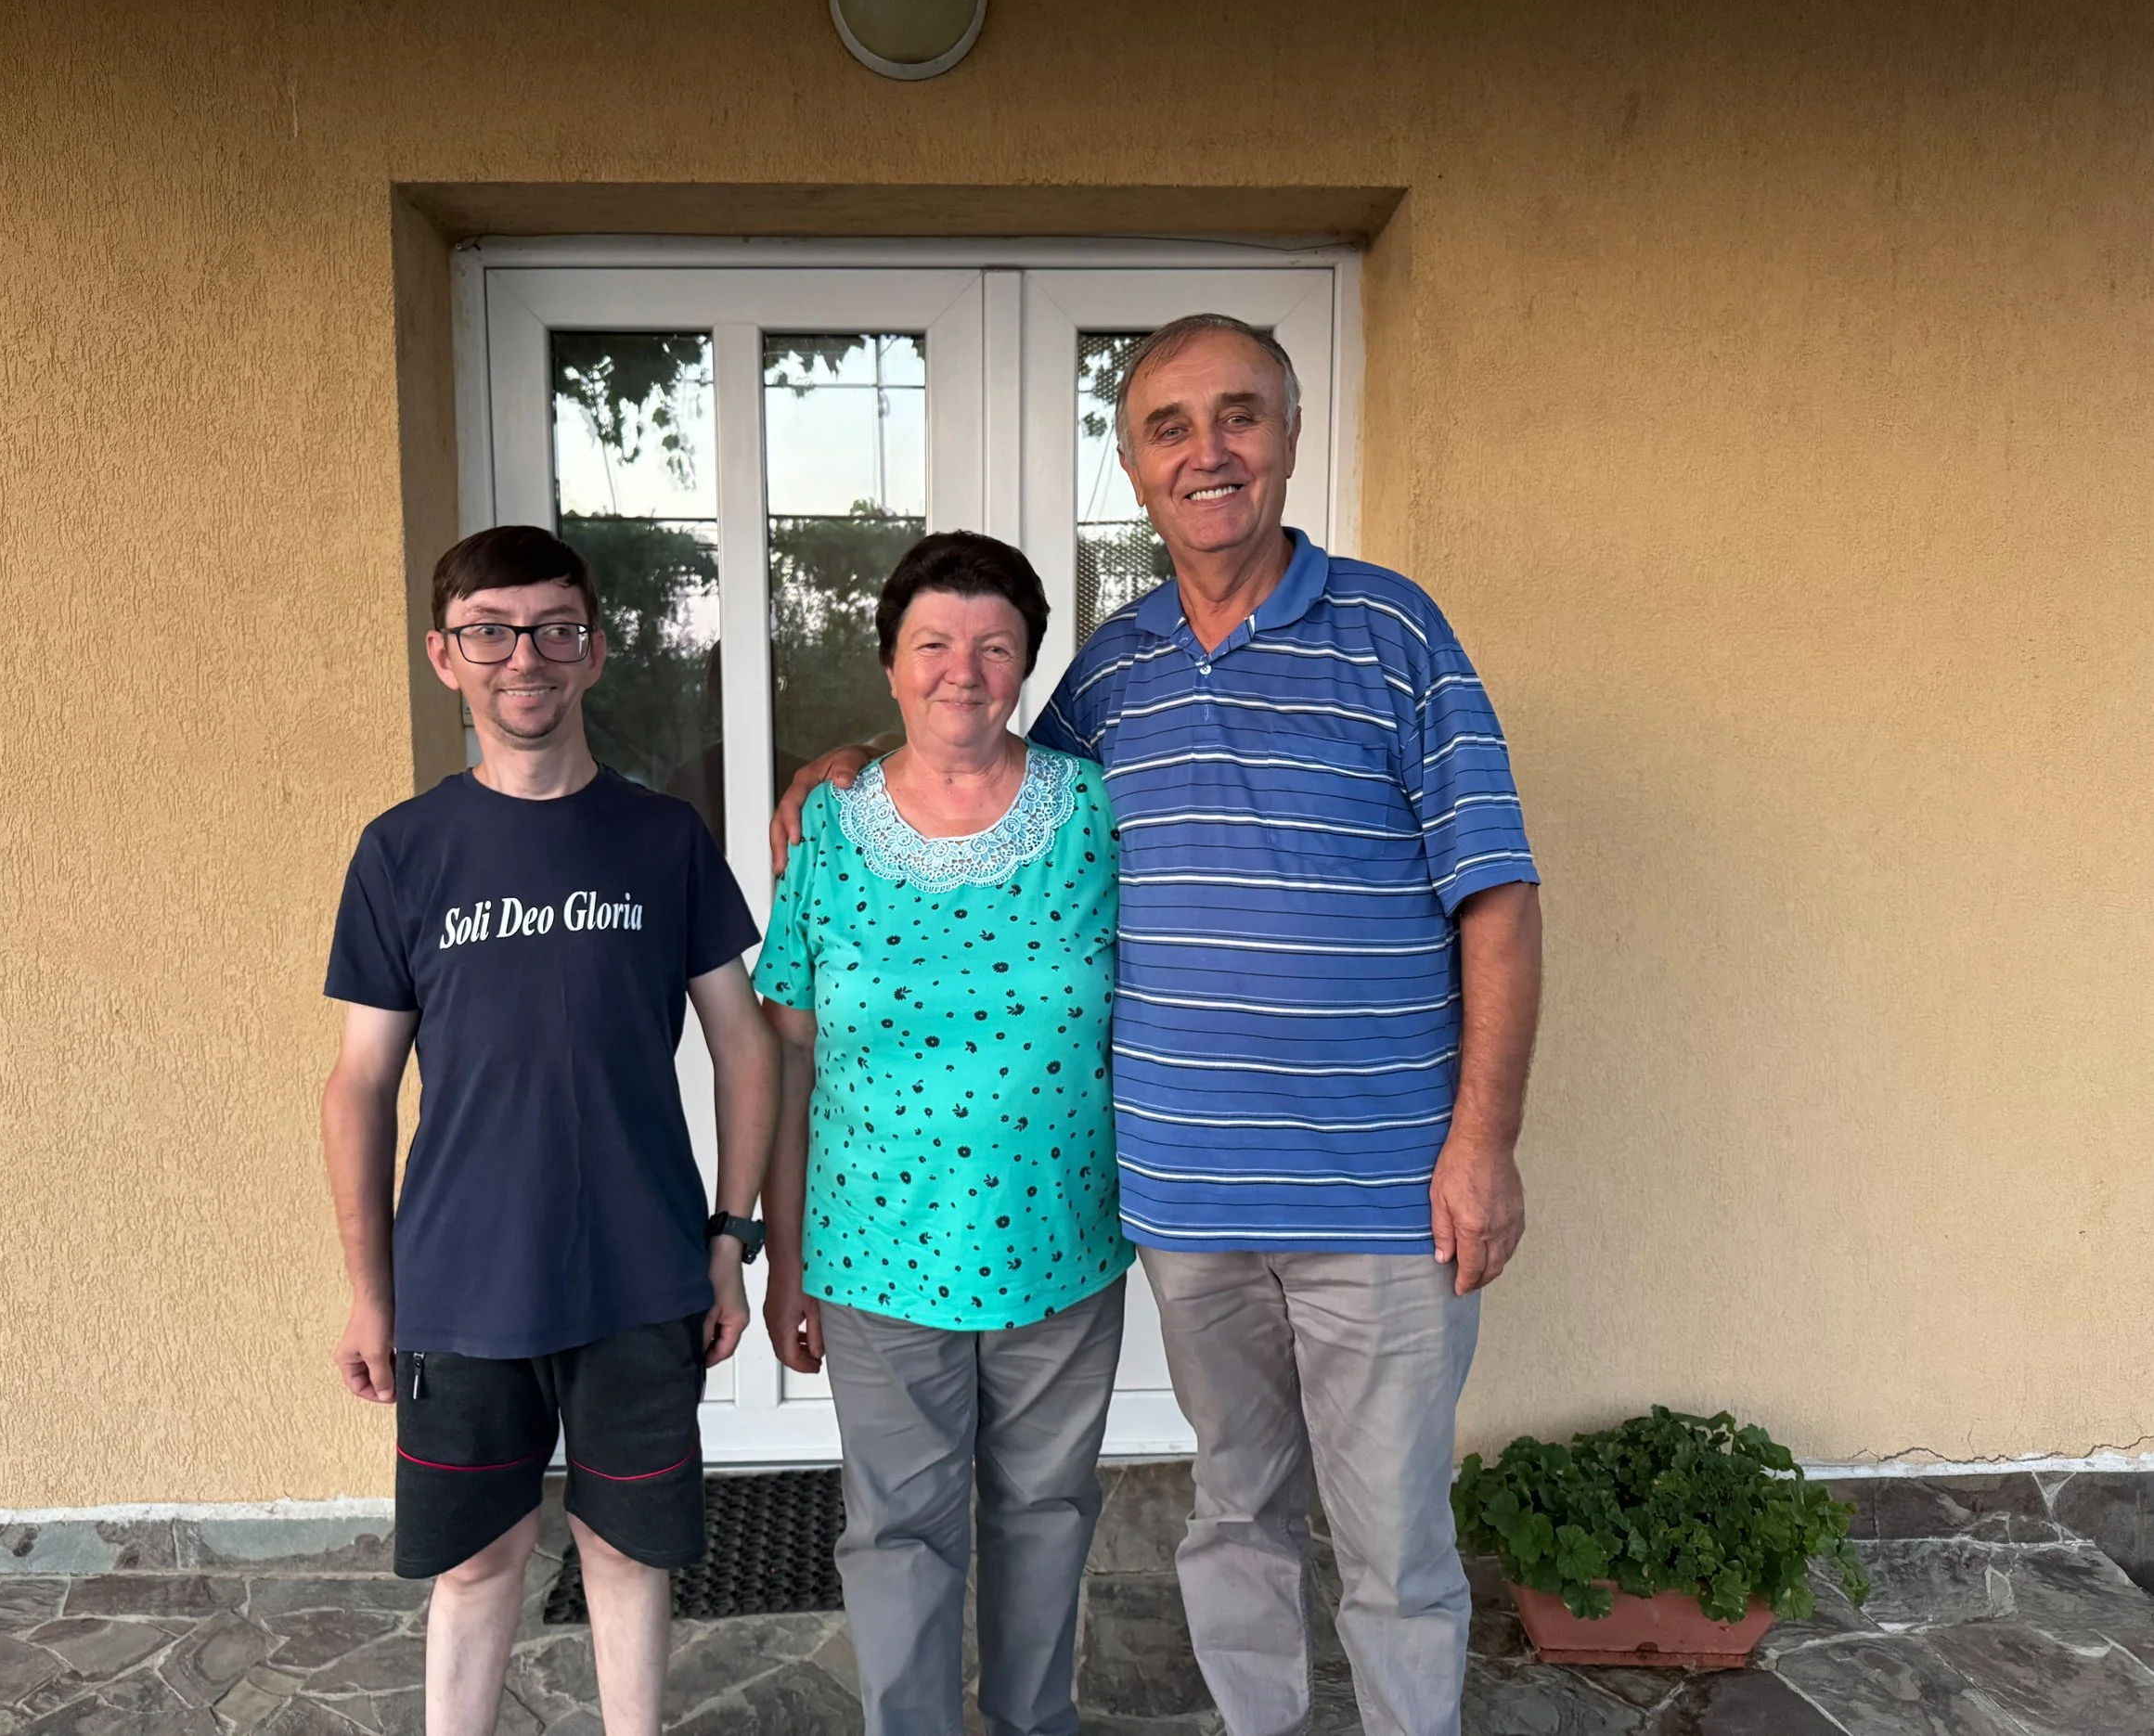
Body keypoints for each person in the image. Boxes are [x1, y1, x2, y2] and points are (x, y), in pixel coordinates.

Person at [771, 317, 1543, 1736]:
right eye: (1171, 426)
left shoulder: (1395, 632)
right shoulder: (1116, 672)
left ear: (1290, 436)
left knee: (1394, 1547)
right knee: (1235, 1516)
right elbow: (976, 764)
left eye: (1239, 415)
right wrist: (841, 772)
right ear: (1132, 465)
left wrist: (1482, 1139)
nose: (1209, 451)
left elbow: (1495, 894)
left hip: (1383, 1197)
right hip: (1188, 1204)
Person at [321, 525, 779, 1736]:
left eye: (554, 629)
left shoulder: (664, 839)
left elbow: (747, 1041)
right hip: (463, 1281)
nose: (523, 656)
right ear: (445, 654)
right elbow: (361, 1083)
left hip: (638, 1275)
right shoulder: (403, 852)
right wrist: (375, 1293)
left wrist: (728, 1236)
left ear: (595, 651)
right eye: (490, 629)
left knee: (628, 1556)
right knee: (478, 1563)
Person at [755, 531, 1133, 1736]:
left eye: (993, 644)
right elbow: (790, 1053)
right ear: (889, 663)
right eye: (933, 643)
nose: (961, 669)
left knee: (1048, 1513)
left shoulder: (1095, 814)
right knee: (897, 1533)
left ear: (1026, 662)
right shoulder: (827, 830)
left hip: (1062, 1240)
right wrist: (786, 1255)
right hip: (876, 1253)